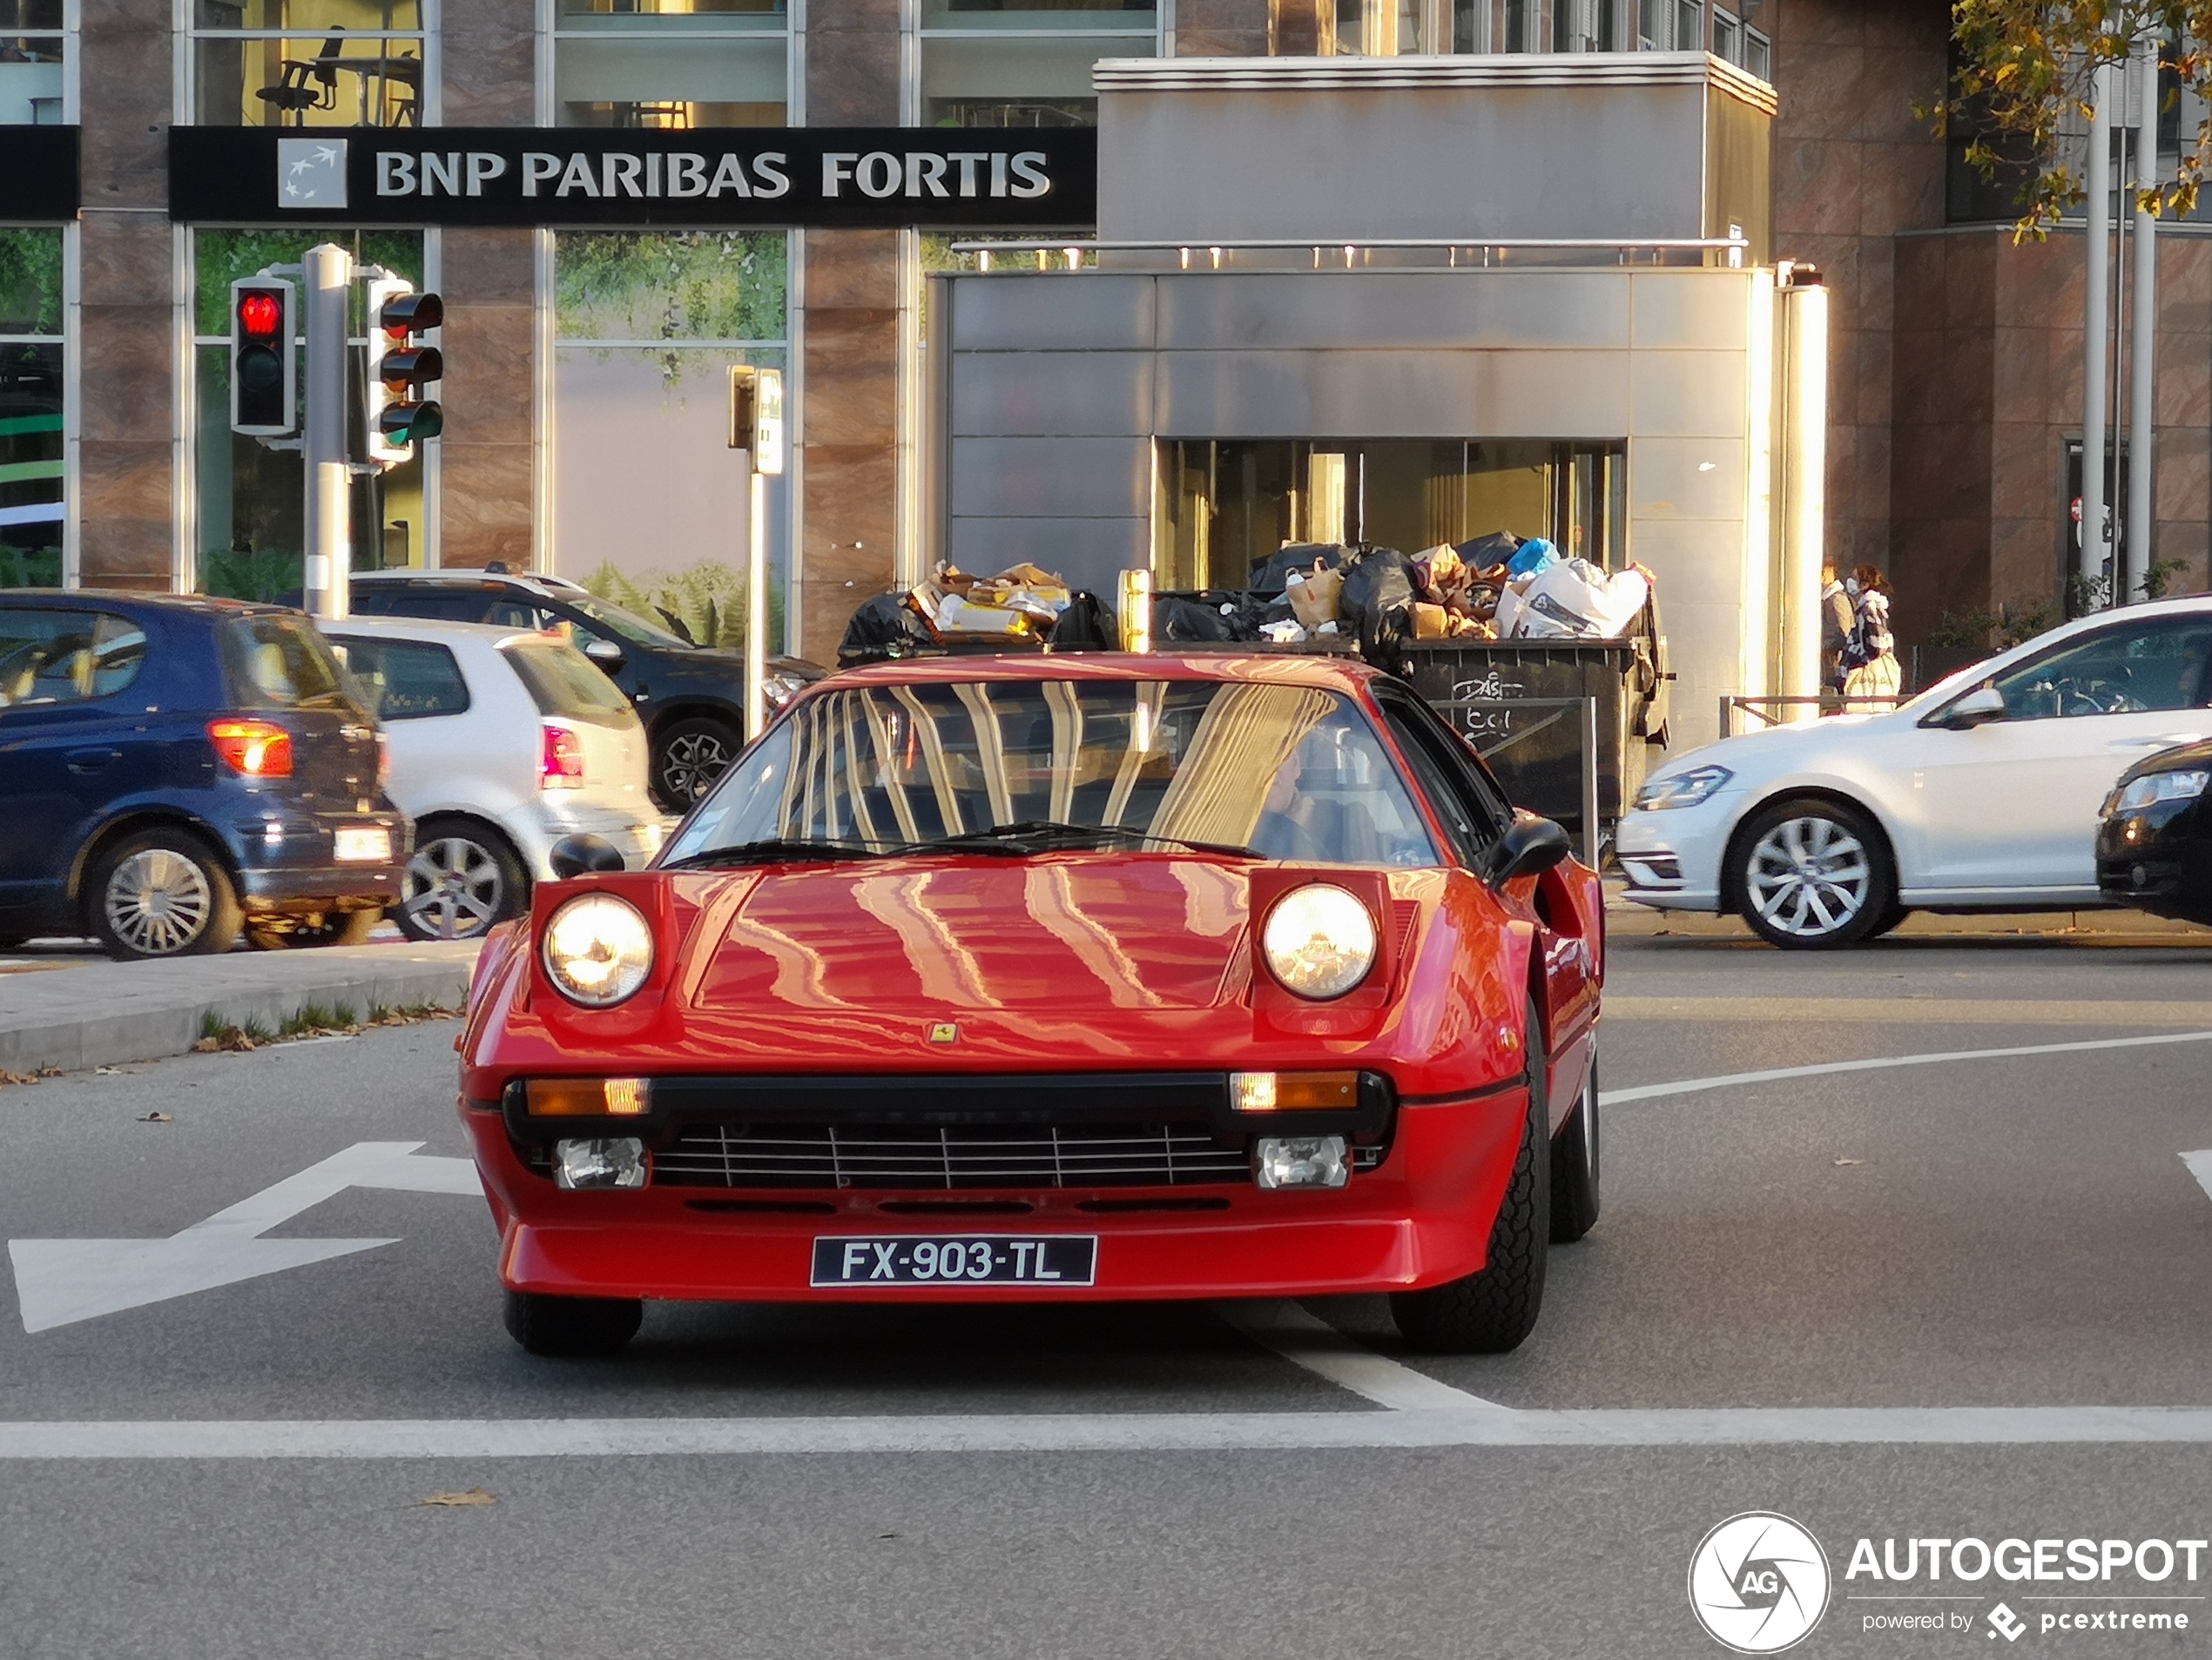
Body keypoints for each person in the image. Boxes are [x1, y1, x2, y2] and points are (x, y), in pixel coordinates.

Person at [1841, 565, 1901, 708]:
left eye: (1854, 578)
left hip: (1867, 669)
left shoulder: (1869, 608)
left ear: (1864, 584)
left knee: (1862, 710)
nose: (1850, 581)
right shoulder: (1875, 606)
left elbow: (1877, 645)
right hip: (1876, 667)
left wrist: (1857, 658)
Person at [1818, 562, 1855, 698]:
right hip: (1831, 662)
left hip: (1835, 663)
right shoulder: (1829, 598)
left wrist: (1825, 647)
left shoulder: (1836, 599)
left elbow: (1845, 633)